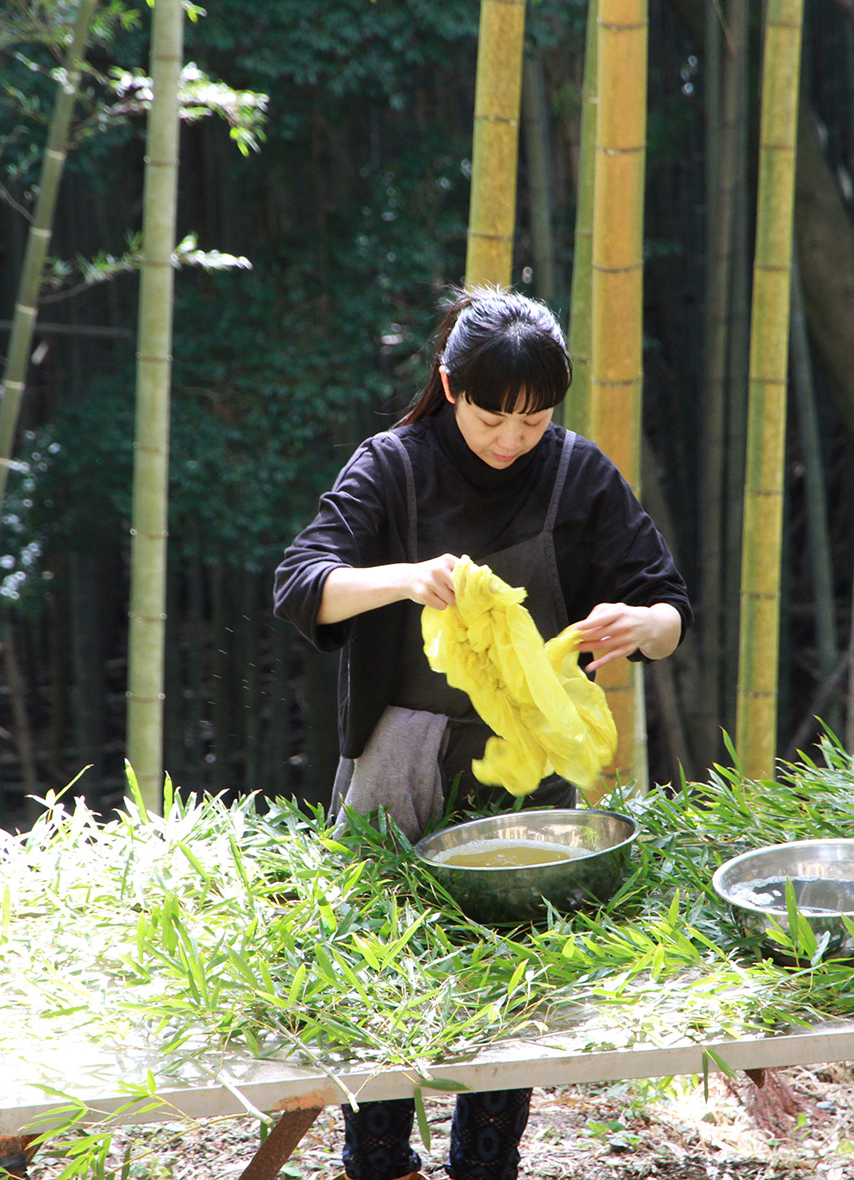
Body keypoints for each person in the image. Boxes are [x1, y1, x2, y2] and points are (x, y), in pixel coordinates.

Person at [273, 286, 691, 1180]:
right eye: (494, 417)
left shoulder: (579, 472)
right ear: (450, 385)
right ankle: (378, 1159)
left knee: (515, 967)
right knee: (383, 960)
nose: (511, 441)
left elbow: (669, 605)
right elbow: (302, 582)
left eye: (533, 422)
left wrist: (640, 625)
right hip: (402, 750)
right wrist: (403, 578)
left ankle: (486, 1161)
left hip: (526, 758)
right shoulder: (393, 465)